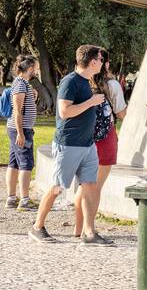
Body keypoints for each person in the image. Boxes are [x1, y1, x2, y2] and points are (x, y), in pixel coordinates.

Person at [30, 44, 109, 245]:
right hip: (69, 144)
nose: (102, 62)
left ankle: (89, 232)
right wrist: (91, 102)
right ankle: (37, 227)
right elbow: (65, 111)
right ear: (92, 61)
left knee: (90, 186)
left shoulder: (86, 81)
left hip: (87, 145)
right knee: (57, 187)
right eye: (100, 59)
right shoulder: (70, 81)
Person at [73, 49, 127, 239]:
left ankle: (78, 228)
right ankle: (90, 228)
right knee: (96, 187)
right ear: (106, 64)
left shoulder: (81, 83)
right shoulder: (112, 85)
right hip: (105, 137)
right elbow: (121, 113)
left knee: (84, 185)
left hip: (84, 136)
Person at [4, 55, 41, 210]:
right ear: (30, 68)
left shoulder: (23, 84)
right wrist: (20, 133)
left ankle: (12, 198)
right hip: (21, 129)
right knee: (26, 164)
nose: (38, 72)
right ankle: (25, 200)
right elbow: (18, 111)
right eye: (37, 68)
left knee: (14, 163)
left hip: (19, 128)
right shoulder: (20, 84)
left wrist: (33, 96)